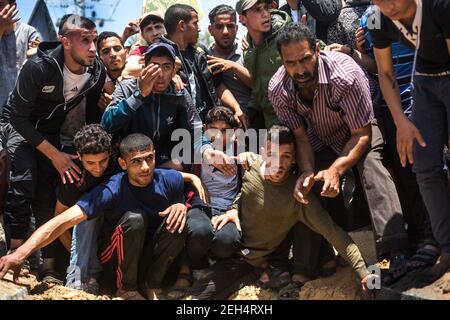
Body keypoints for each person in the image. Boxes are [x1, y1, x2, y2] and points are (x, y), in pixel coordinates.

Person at [269, 24, 410, 284]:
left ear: (318, 50)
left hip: (361, 128)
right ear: (281, 61)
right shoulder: (278, 88)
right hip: (320, 139)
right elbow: (301, 137)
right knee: (306, 183)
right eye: (291, 64)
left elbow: (362, 135)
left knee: (370, 166)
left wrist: (337, 168)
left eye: (305, 60)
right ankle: (313, 261)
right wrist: (310, 171)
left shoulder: (344, 74)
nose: (299, 70)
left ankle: (395, 250)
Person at [188, 125, 375, 300]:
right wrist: (233, 210)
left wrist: (364, 273)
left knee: (202, 295)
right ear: (262, 152)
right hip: (231, 244)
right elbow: (242, 192)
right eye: (271, 154)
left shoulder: (298, 196)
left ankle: (273, 270)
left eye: (286, 156)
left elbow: (334, 233)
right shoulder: (250, 166)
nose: (278, 163)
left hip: (253, 261)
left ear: (294, 159)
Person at [0, 133, 189, 300]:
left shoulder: (170, 179)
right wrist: (21, 253)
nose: (145, 167)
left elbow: (184, 183)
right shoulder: (111, 188)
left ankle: (151, 285)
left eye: (149, 158)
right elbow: (60, 222)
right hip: (115, 261)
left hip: (148, 258)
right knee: (135, 219)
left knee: (180, 218)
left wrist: (182, 204)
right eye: (136, 161)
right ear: (123, 164)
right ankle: (127, 290)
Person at [0, 15, 106, 282]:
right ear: (66, 41)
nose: (93, 47)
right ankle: (16, 257)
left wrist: (87, 154)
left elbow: (91, 116)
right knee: (23, 179)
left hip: (50, 132)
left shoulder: (96, 73)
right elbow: (17, 117)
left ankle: (48, 268)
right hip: (18, 125)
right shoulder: (38, 67)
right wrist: (55, 154)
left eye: (95, 40)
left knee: (52, 188)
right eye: (85, 40)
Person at [369, 0, 450, 286]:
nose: (386, 5)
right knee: (424, 166)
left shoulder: (440, 6)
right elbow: (385, 73)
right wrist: (401, 121)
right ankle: (446, 247)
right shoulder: (377, 18)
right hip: (425, 79)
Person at [167, 106, 244, 299]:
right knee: (199, 231)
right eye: (213, 130)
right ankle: (196, 266)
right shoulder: (197, 150)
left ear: (234, 131)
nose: (218, 136)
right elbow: (165, 168)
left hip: (228, 209)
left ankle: (215, 263)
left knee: (227, 241)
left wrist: (253, 159)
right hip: (200, 205)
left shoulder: (241, 150)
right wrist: (191, 178)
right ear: (204, 128)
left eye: (224, 131)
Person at [101, 42, 202, 171]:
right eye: (154, 67)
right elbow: (107, 124)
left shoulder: (179, 91)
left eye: (166, 67)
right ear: (144, 68)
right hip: (131, 166)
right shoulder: (127, 87)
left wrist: (205, 151)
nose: (160, 74)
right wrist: (139, 95)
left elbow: (197, 129)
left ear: (173, 71)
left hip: (168, 165)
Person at [162, 4, 244, 127]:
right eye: (195, 23)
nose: (199, 28)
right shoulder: (159, 53)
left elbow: (218, 85)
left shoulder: (201, 51)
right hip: (177, 130)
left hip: (208, 127)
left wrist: (236, 107)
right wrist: (166, 74)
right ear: (182, 26)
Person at [236, 0, 291, 129]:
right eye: (257, 10)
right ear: (243, 19)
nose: (265, 14)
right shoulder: (249, 52)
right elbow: (258, 90)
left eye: (266, 8)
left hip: (298, 122)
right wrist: (248, 113)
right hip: (273, 127)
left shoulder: (286, 37)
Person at [206, 5, 252, 129]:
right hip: (221, 126)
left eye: (230, 26)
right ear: (210, 29)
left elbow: (257, 85)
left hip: (253, 119)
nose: (225, 31)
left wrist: (233, 66)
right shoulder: (205, 57)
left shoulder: (247, 50)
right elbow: (217, 86)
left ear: (236, 28)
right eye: (220, 27)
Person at [0, 0, 41, 111]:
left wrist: (37, 51)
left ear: (13, 6)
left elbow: (39, 56)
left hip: (20, 111)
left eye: (0, 4)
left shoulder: (28, 32)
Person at [121, 12, 167, 78]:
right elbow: (127, 71)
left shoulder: (176, 46)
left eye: (158, 27)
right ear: (143, 35)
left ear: (165, 28)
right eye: (149, 29)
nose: (155, 33)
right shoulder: (139, 50)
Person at [96, 32, 128, 111]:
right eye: (106, 51)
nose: (113, 54)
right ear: (100, 59)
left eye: (117, 49)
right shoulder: (98, 87)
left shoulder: (140, 76)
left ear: (126, 53)